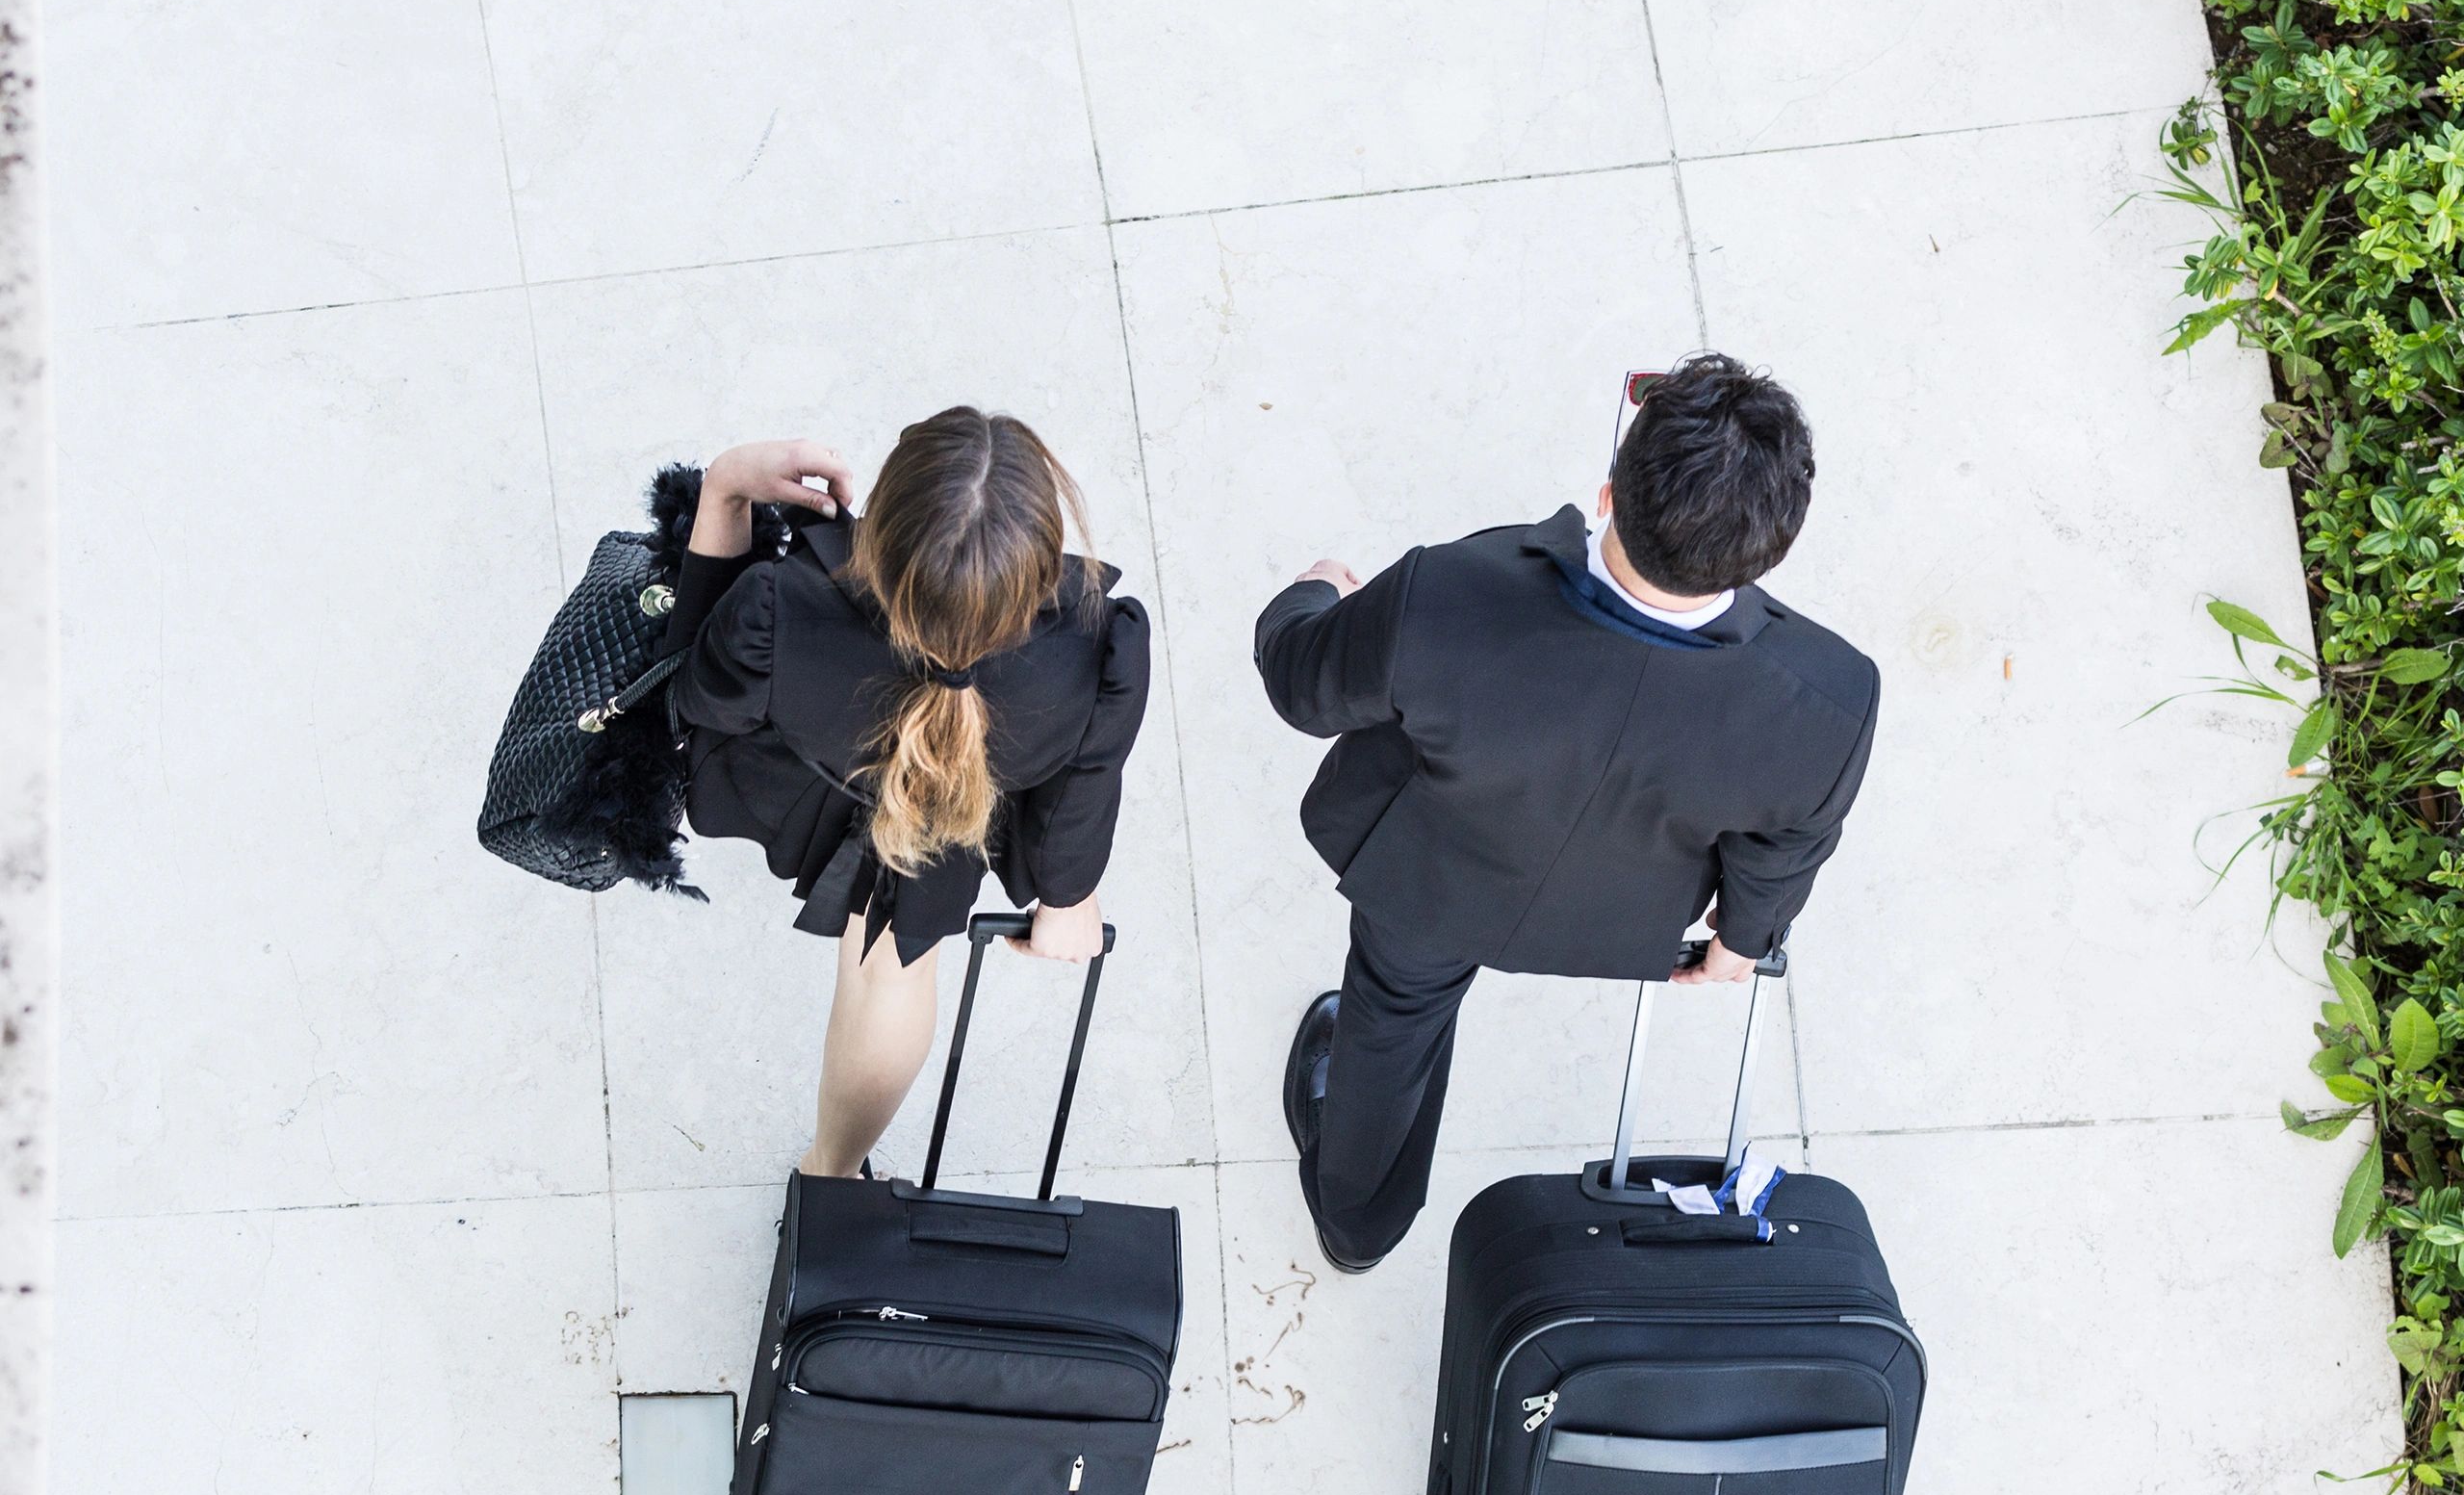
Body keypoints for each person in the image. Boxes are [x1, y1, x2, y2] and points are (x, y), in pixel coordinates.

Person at [1254, 351, 1877, 1273]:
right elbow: (1790, 842)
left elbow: (1301, 688)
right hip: (1617, 922)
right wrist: (1744, 939)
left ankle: (1357, 1227)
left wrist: (1319, 593)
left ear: (1608, 493)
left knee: (1387, 1025)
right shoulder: (1831, 697)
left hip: (1433, 885)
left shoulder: (1449, 593)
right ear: (1767, 550)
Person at [662, 405, 1148, 1176]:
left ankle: (834, 1171)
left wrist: (725, 492)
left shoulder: (777, 611)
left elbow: (694, 690)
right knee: (896, 962)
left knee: (882, 936)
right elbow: (1078, 791)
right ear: (1035, 573)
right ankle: (831, 1171)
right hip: (957, 817)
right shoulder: (1098, 654)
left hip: (825, 794)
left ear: (880, 538)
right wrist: (1068, 898)